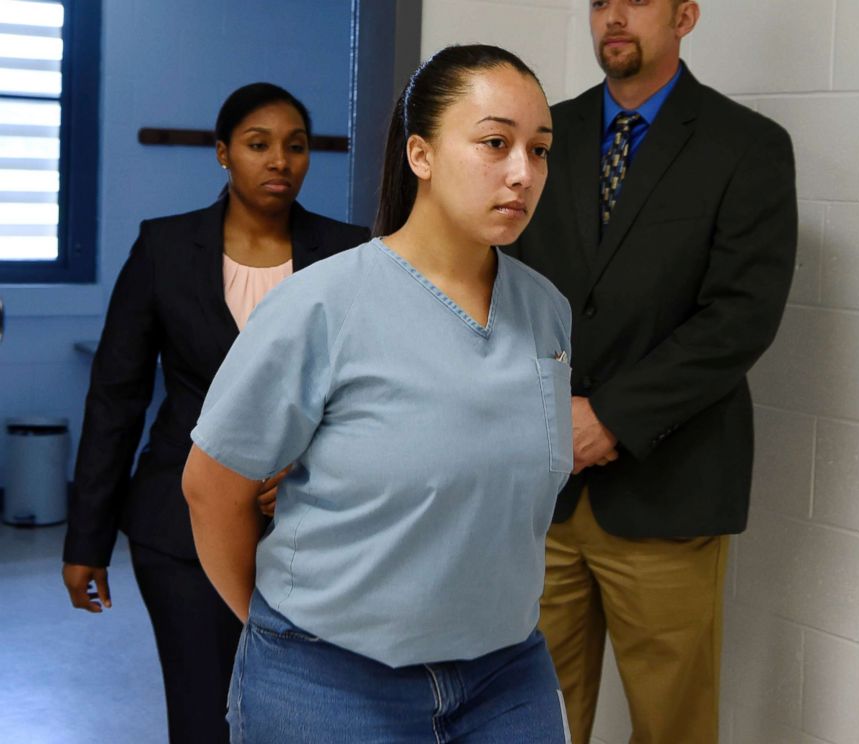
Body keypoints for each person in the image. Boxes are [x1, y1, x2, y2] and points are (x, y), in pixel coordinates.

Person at [181, 45, 573, 743]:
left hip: (505, 674)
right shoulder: (322, 306)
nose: (523, 173)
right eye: (494, 143)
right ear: (420, 155)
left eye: (538, 150)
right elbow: (212, 488)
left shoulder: (545, 311)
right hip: (331, 681)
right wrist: (281, 637)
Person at [508, 1, 798, 742]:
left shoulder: (747, 147)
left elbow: (739, 318)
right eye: (601, 1)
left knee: (673, 727)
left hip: (668, 492)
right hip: (538, 492)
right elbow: (496, 283)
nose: (613, 16)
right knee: (526, 719)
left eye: (637, 0)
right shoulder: (543, 137)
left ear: (686, 15)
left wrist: (608, 417)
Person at [61, 82, 370, 743]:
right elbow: (117, 397)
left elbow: (375, 395)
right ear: (223, 153)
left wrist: (314, 468)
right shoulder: (164, 249)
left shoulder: (350, 254)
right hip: (180, 529)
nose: (279, 161)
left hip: (317, 532)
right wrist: (86, 539)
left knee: (309, 718)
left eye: (296, 146)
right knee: (206, 716)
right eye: (259, 145)